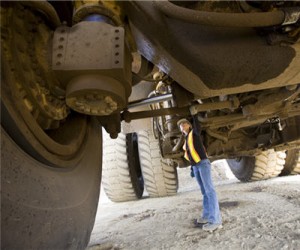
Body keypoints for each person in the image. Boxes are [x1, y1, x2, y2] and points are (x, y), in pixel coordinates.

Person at [177, 106, 222, 232]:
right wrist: (192, 169)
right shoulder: (186, 139)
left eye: (185, 123)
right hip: (196, 166)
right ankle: (207, 216)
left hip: (203, 164)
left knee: (209, 190)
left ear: (189, 126)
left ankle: (216, 221)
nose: (182, 125)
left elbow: (197, 126)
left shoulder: (194, 133)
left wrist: (194, 115)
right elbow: (191, 154)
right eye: (181, 125)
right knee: (204, 191)